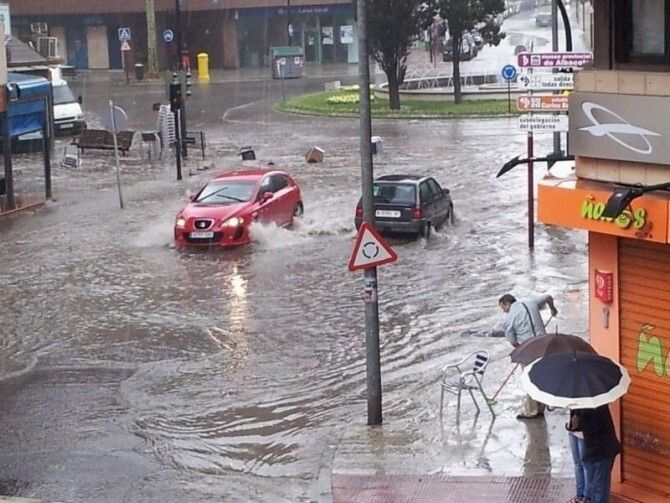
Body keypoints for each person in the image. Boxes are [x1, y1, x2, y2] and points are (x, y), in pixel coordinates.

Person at [498, 292, 558, 420]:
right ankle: (541, 406)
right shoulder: (531, 302)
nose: (503, 311)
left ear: (506, 304)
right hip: (543, 344)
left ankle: (532, 411)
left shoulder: (508, 319)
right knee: (540, 375)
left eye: (502, 307)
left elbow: (512, 341)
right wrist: (553, 309)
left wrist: (519, 349)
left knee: (529, 378)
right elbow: (548, 297)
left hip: (528, 349)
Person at [580, 405, 621, 503]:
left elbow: (595, 433)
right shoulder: (598, 404)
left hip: (601, 452)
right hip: (603, 451)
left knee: (598, 488)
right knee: (601, 485)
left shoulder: (591, 409)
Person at [566, 409, 588, 503]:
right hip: (571, 430)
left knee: (584, 465)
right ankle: (579, 495)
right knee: (577, 464)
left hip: (583, 433)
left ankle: (586, 496)